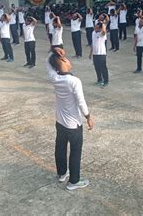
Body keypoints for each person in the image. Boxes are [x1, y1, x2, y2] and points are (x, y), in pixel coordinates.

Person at [46, 47, 94, 190]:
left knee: (60, 148)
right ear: (62, 60)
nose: (69, 60)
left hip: (60, 122)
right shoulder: (74, 81)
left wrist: (53, 51)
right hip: (73, 125)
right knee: (75, 151)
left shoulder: (55, 77)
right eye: (66, 59)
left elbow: (47, 63)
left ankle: (62, 174)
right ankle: (74, 182)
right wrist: (88, 117)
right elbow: (81, 102)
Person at [89, 22, 109, 87]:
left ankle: (106, 81)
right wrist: (90, 53)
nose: (95, 28)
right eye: (95, 26)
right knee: (96, 67)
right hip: (95, 53)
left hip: (101, 53)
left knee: (103, 68)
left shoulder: (102, 34)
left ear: (100, 28)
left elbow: (104, 32)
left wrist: (103, 25)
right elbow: (93, 43)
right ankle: (99, 79)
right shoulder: (93, 33)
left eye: (97, 27)